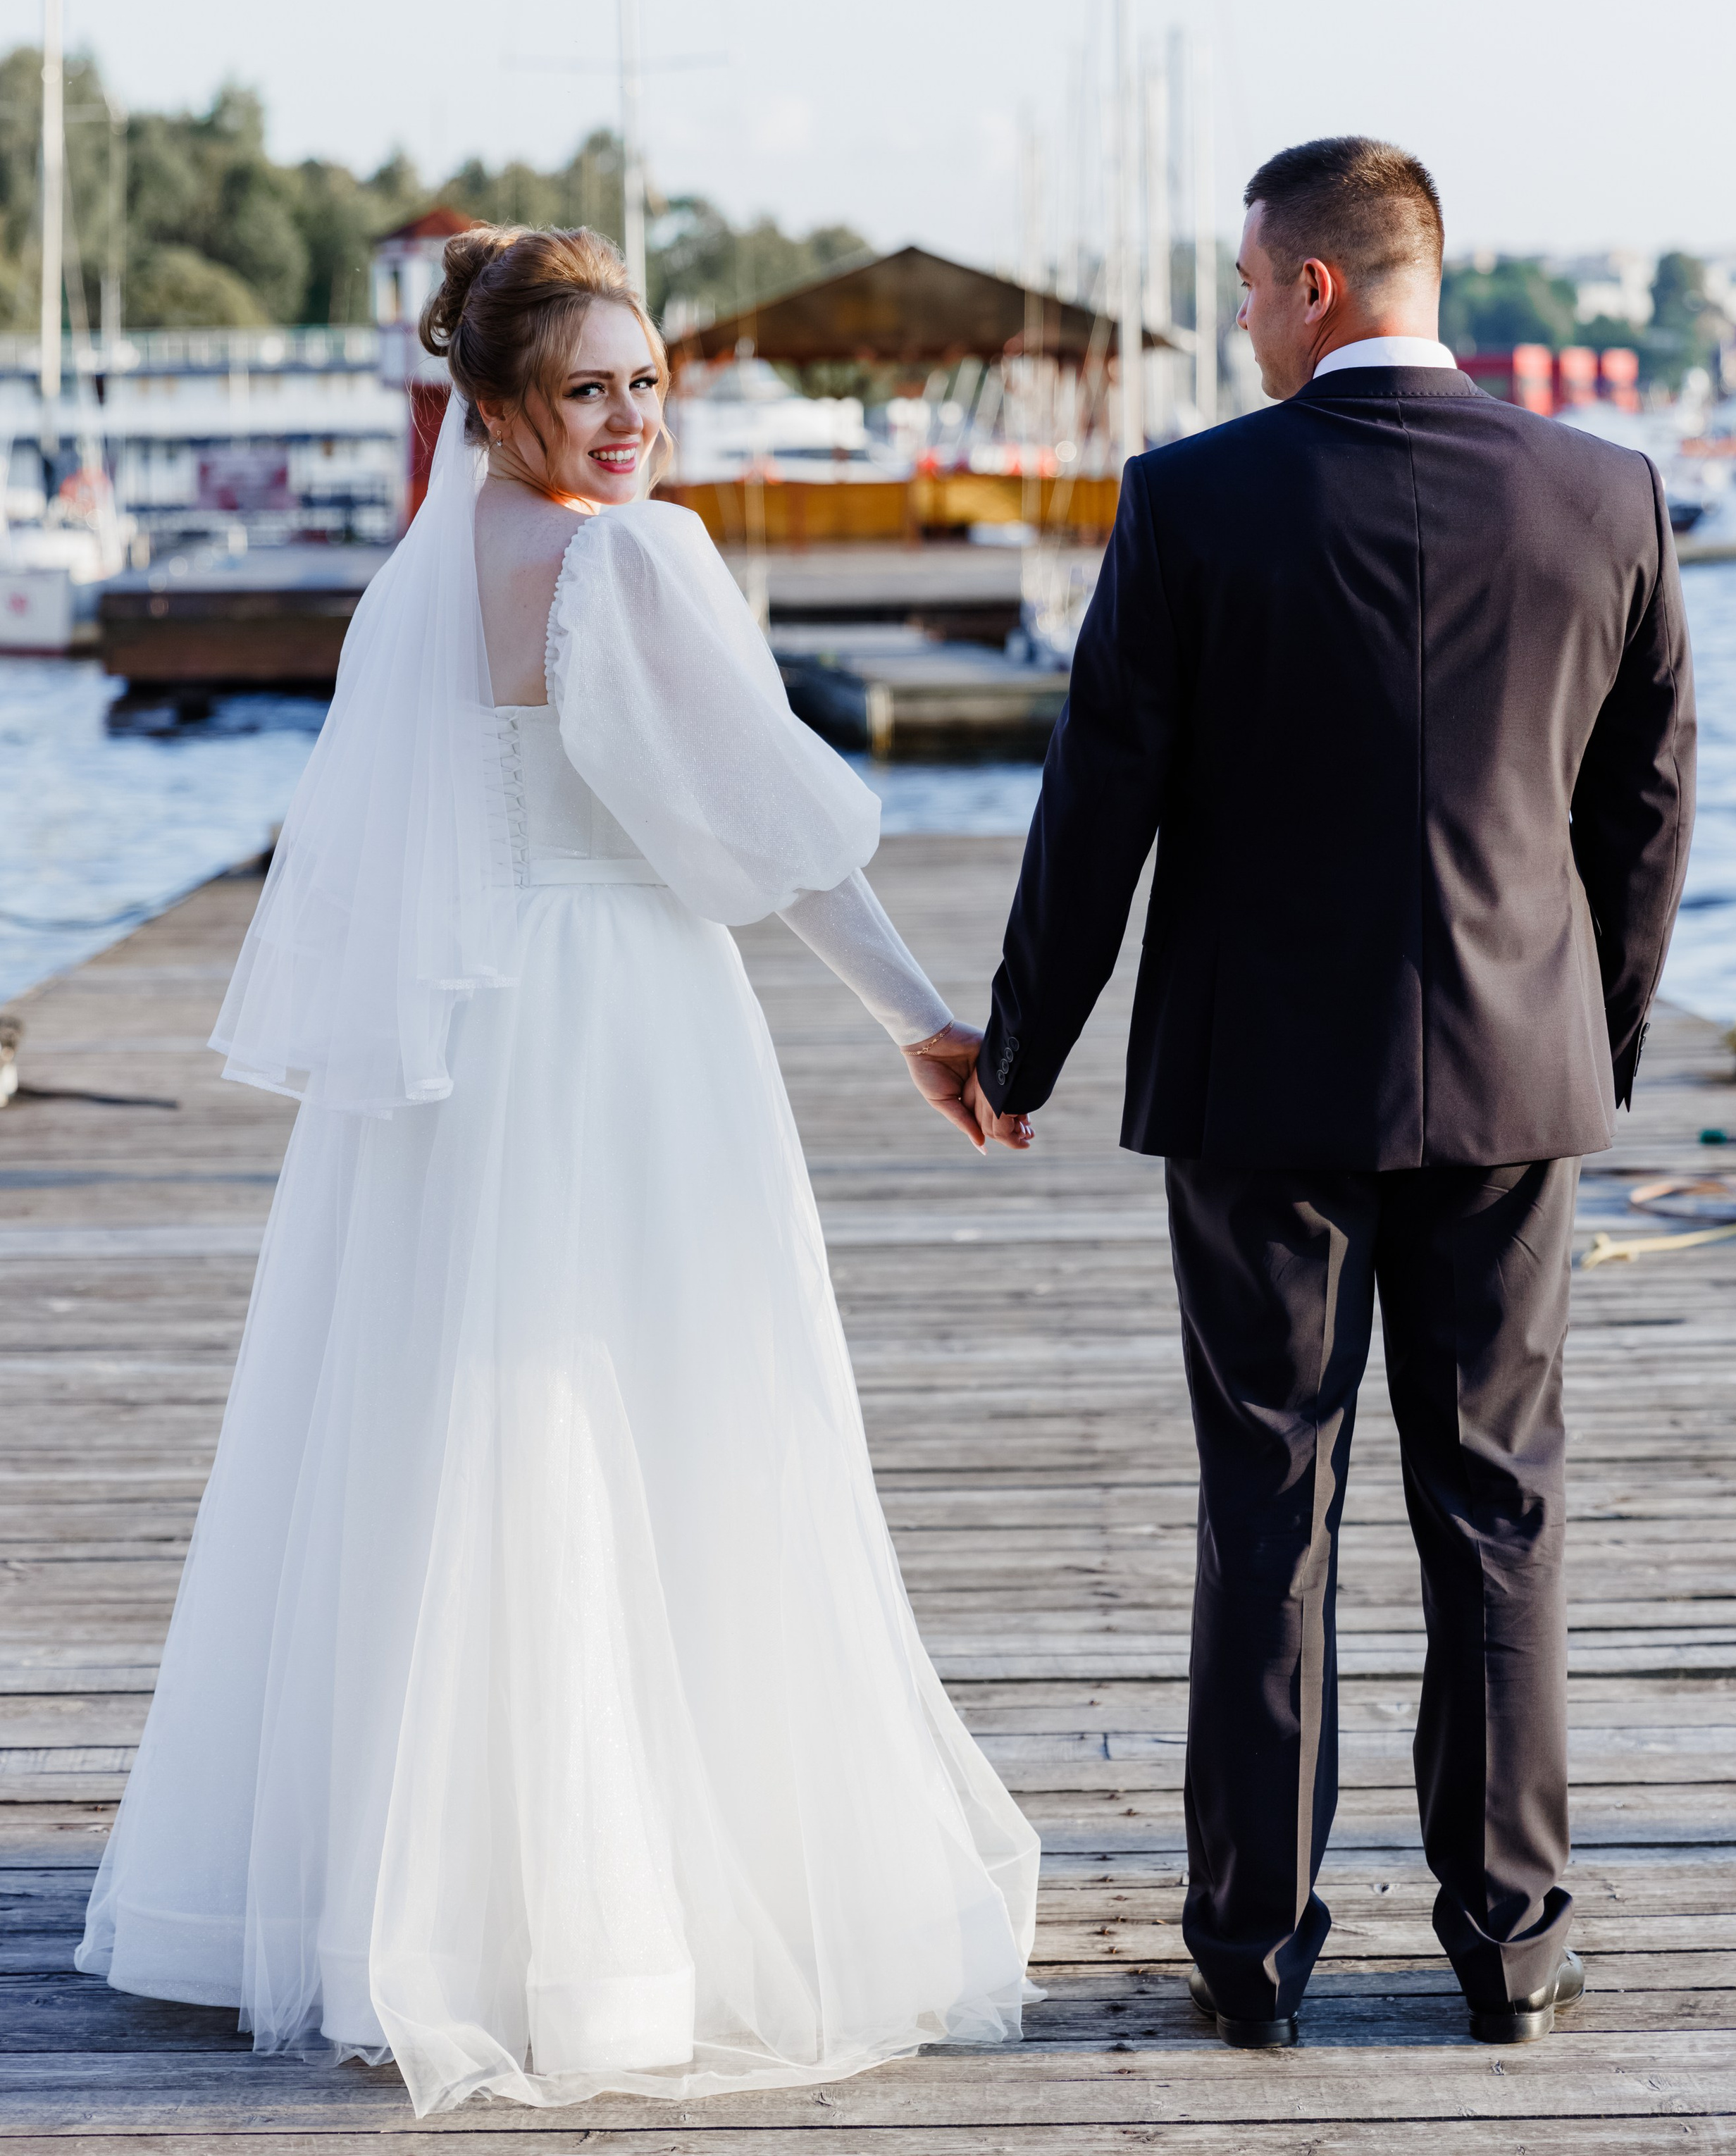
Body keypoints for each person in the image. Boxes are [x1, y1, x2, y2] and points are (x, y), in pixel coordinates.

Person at [74, 225, 1040, 2115]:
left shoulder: (428, 581)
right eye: (586, 388)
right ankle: (616, 1917)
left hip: (462, 1042)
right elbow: (772, 834)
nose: (625, 421)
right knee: (663, 1411)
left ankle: (429, 1893)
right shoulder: (634, 561)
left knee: (451, 1427)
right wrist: (925, 1019)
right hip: (623, 1015)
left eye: (646, 385)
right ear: (499, 403)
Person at [963, 137, 1694, 2048]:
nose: (1231, 315)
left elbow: (1094, 806)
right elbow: (1645, 812)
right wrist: (1587, 1038)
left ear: (1312, 285)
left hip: (1261, 1089)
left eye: (1238, 282)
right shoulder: (1603, 496)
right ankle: (1513, 1947)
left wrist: (1021, 1045)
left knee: (1266, 1511)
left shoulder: (1195, 502)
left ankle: (1250, 1951)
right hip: (1516, 1081)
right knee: (1500, 1510)